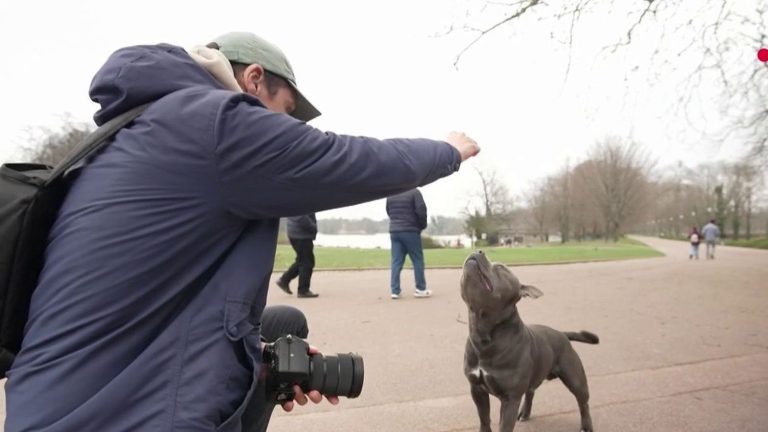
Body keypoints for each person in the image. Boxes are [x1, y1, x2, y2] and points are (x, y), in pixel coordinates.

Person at [4, 32, 480, 432]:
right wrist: (446, 152)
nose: (287, 129)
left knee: (280, 327)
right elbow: (347, 160)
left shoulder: (139, 130)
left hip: (55, 399)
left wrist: (261, 363)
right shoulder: (213, 123)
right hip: (106, 417)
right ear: (254, 79)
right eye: (287, 111)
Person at [386, 188, 430, 299]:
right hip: (411, 230)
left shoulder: (391, 193)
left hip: (395, 231)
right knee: (417, 259)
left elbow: (389, 211)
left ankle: (395, 290)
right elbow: (421, 210)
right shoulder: (415, 192)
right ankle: (420, 289)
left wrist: (396, 223)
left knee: (396, 261)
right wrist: (422, 226)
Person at [276, 213, 319, 298]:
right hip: (301, 235)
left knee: (302, 260)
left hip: (297, 233)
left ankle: (284, 280)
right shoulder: (304, 200)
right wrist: (314, 228)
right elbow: (302, 217)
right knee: (307, 262)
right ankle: (303, 290)